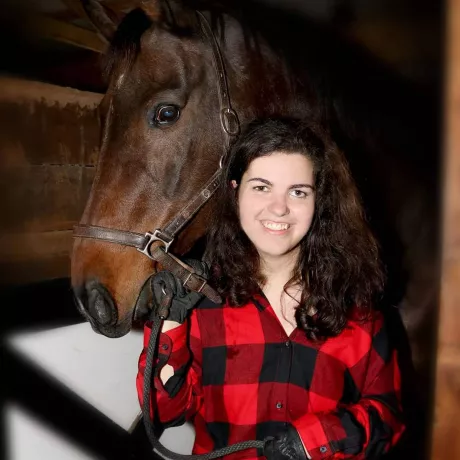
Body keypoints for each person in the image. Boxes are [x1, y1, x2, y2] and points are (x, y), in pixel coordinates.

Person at [137, 118, 405, 460]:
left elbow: (389, 418)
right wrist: (170, 321)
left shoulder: (359, 309)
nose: (279, 208)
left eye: (297, 191)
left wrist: (317, 439)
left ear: (318, 201)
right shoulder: (201, 302)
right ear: (235, 193)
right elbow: (164, 411)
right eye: (261, 187)